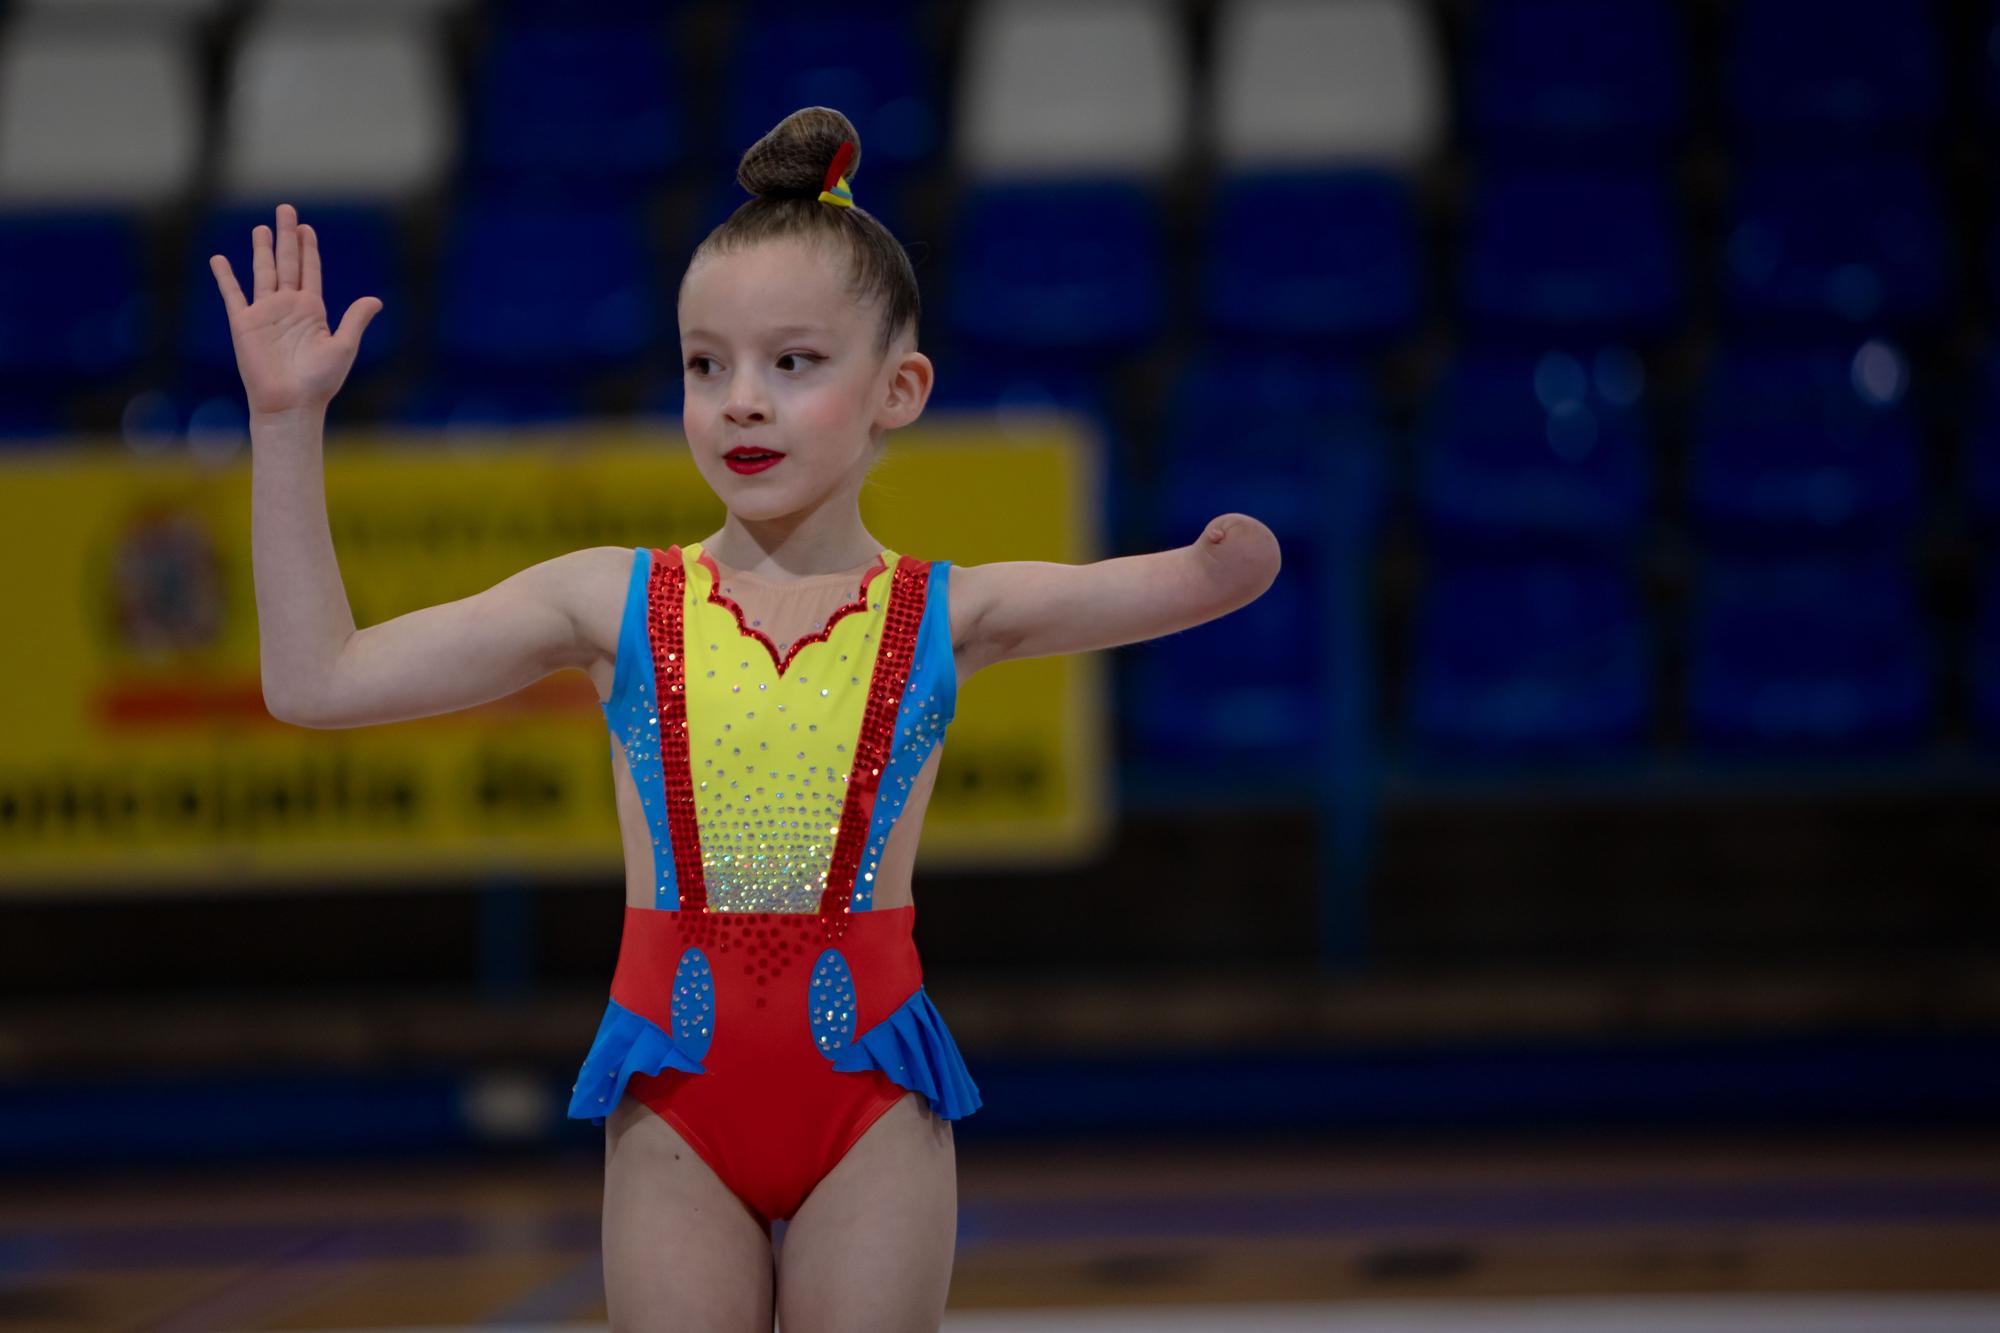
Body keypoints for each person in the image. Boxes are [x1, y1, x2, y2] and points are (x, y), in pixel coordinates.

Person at [211, 105, 1280, 1333]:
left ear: (900, 388)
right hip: (677, 1096)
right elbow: (315, 680)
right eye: (703, 365)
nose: (740, 403)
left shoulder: (947, 610)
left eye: (792, 362)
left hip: (867, 1098)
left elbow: (1178, 581)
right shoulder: (611, 600)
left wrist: (1218, 565)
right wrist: (285, 426)